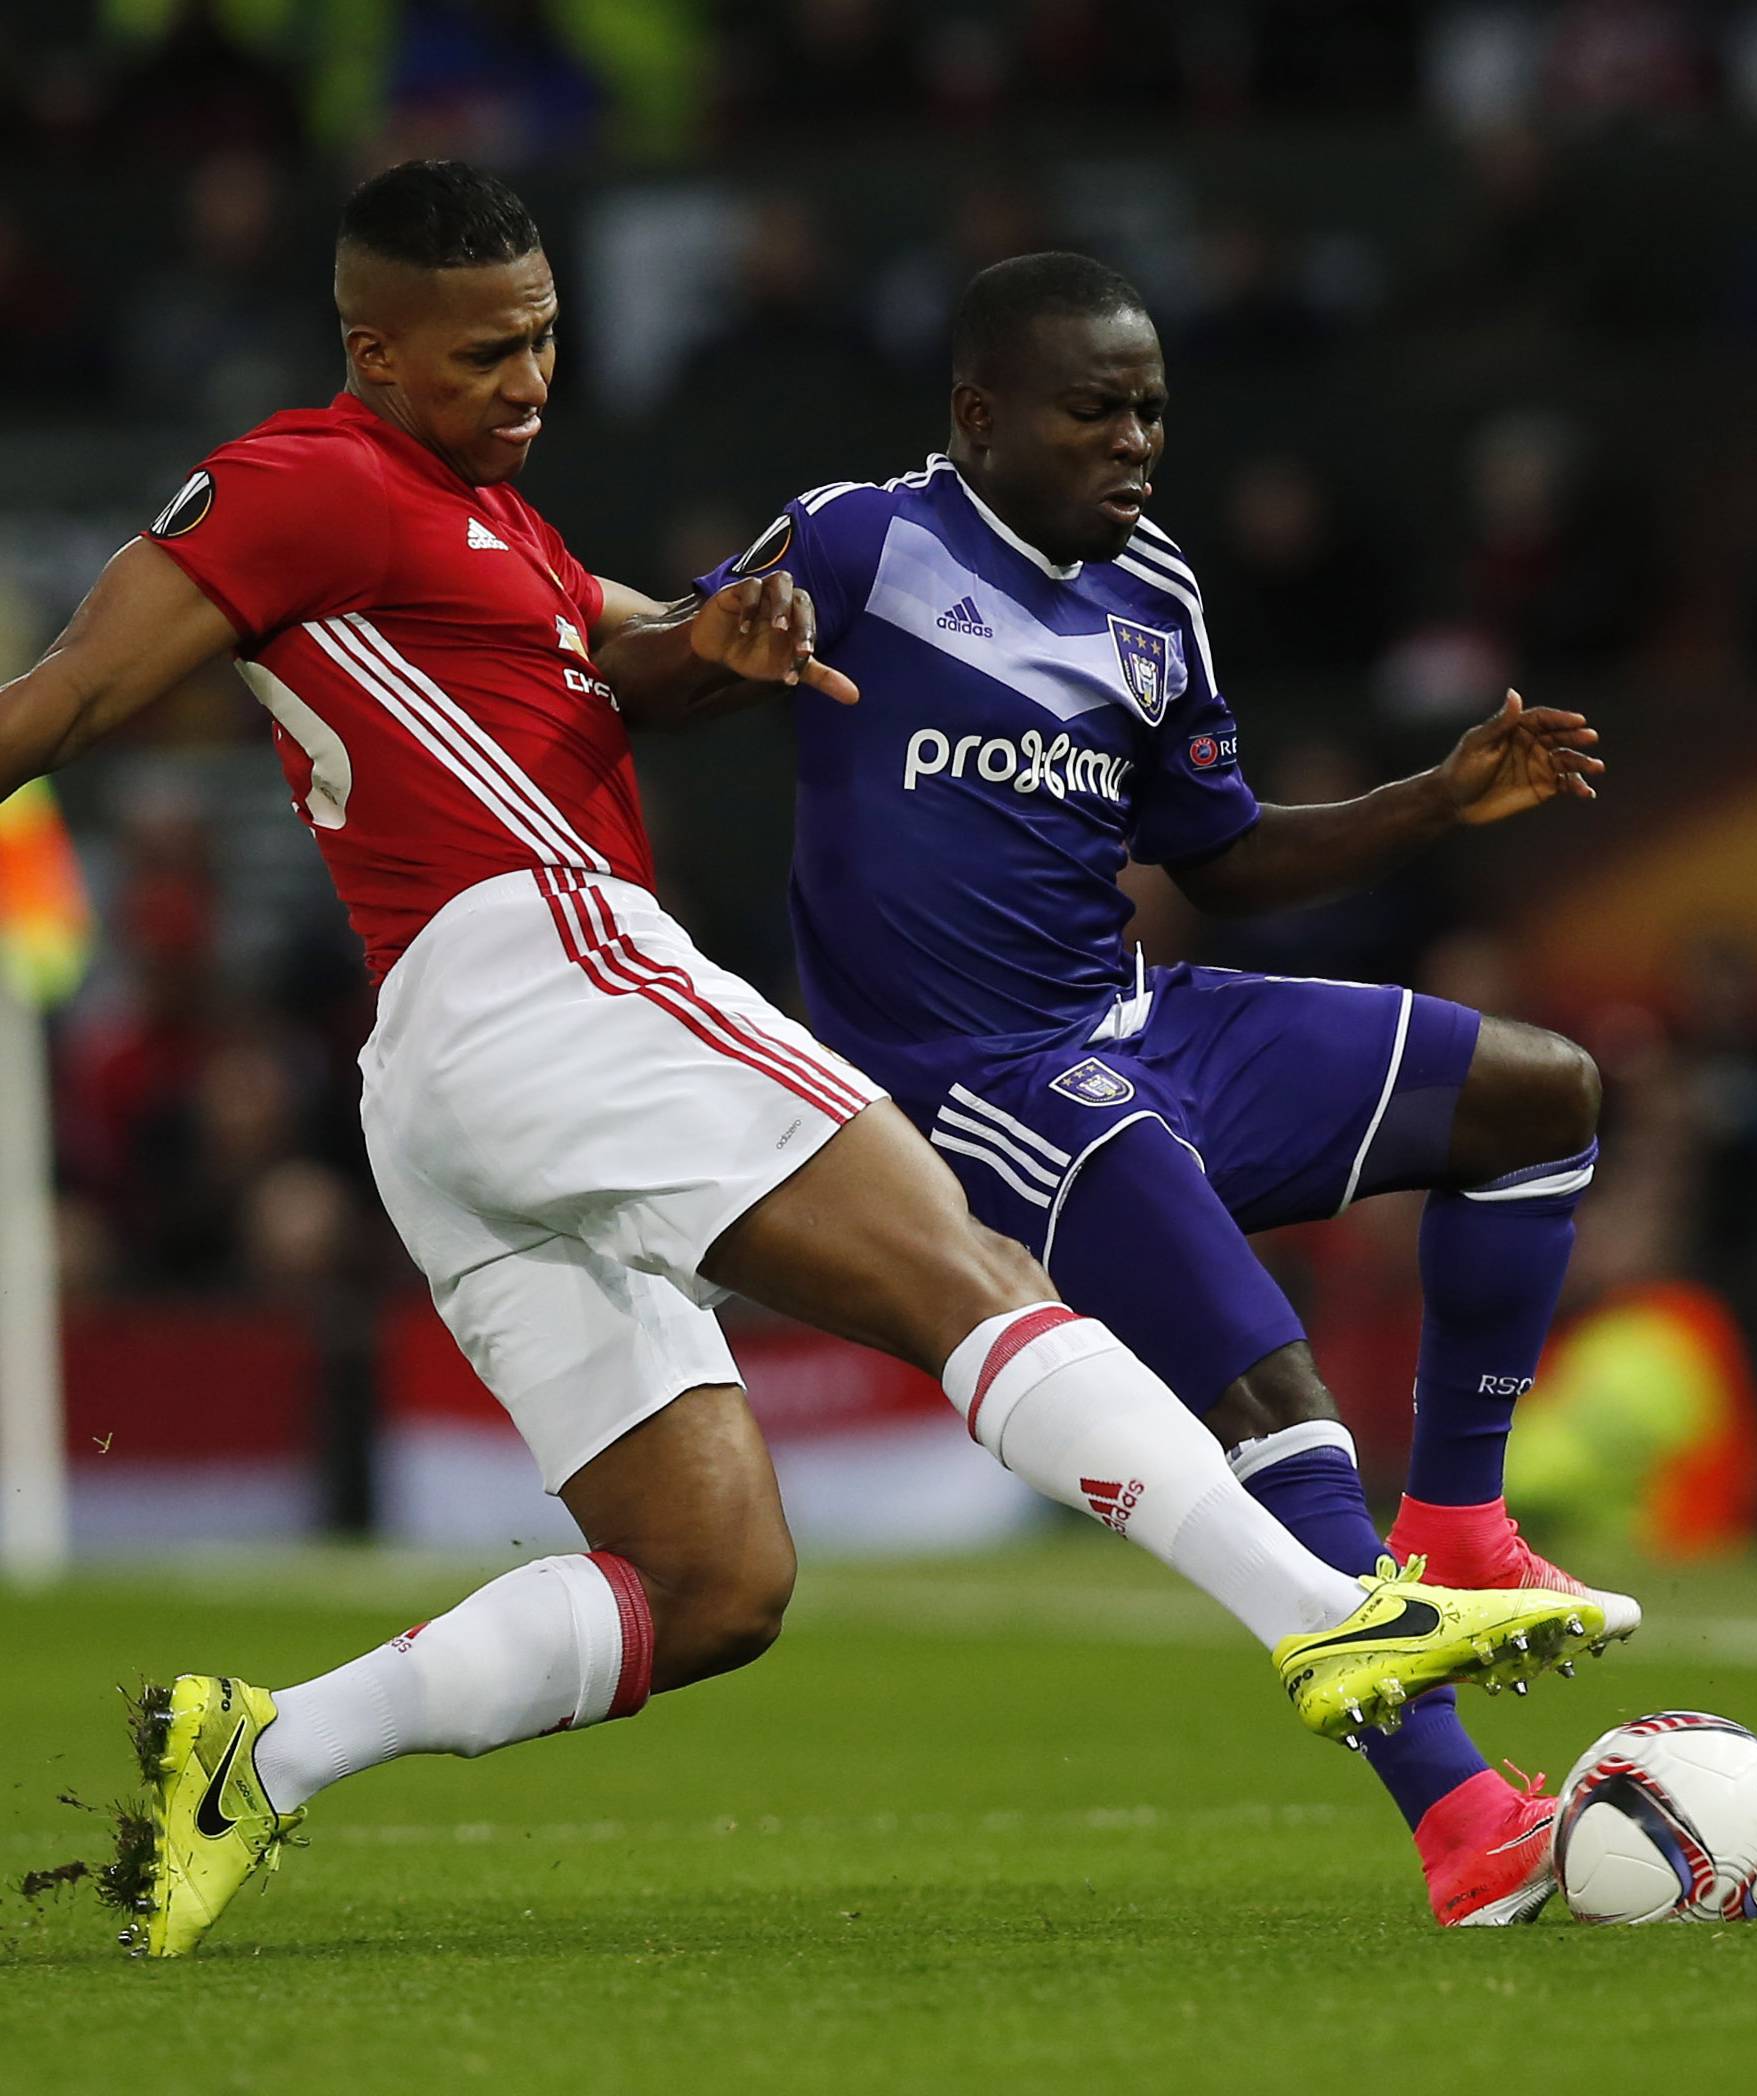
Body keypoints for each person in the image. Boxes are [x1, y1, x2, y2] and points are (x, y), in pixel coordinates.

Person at [0, 169, 1598, 1959]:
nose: (528, 379)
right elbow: (68, 693)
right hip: (543, 956)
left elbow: (627, 651)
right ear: (371, 348)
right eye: (479, 353)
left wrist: (719, 647)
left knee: (713, 1583)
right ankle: (1324, 1615)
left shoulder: (500, 534)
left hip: (450, 1084)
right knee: (965, 1267)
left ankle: (258, 1759)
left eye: (542, 337)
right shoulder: (305, 477)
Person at [645, 252, 1640, 1926]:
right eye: (1095, 409)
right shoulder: (859, 540)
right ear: (980, 416)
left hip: (1133, 1022)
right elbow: (652, 675)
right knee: (1270, 1389)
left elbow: (1226, 859)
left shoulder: (1155, 591)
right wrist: (708, 655)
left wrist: (1430, 800)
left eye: (1153, 411)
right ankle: (1463, 1817)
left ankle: (1459, 1524)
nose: (1136, 443)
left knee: (1544, 1097)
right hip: (964, 1082)